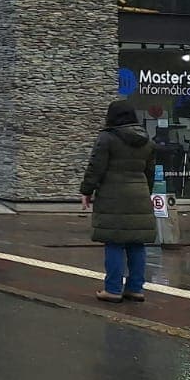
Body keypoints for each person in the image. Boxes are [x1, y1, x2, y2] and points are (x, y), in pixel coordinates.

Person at [80, 100, 155, 303]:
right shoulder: (146, 140)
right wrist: (145, 192)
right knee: (136, 243)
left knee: (114, 242)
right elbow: (149, 172)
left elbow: (96, 167)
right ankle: (135, 289)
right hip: (139, 195)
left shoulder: (107, 138)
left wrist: (86, 191)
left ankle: (113, 289)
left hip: (113, 196)